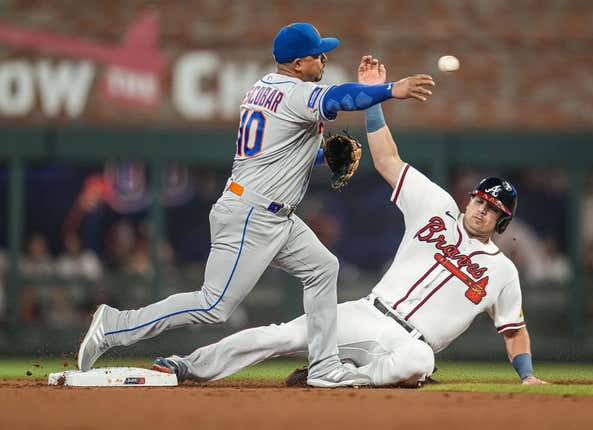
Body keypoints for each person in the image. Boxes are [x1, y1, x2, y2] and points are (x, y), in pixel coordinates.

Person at [77, 22, 434, 388]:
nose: (324, 58)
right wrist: (390, 90)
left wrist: (321, 159)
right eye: (317, 54)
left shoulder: (262, 88)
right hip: (253, 214)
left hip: (272, 214)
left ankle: (325, 366)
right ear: (297, 64)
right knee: (213, 305)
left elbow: (275, 152)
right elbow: (341, 98)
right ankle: (114, 325)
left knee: (323, 268)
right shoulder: (297, 94)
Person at [150, 59, 546, 387]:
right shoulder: (436, 206)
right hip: (369, 313)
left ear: (502, 221)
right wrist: (374, 99)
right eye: (480, 200)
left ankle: (341, 377)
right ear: (471, 197)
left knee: (419, 360)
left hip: (412, 343)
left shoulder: (502, 271)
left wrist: (526, 376)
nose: (481, 210)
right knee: (281, 335)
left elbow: (513, 330)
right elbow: (389, 161)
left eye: (492, 209)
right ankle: (188, 365)